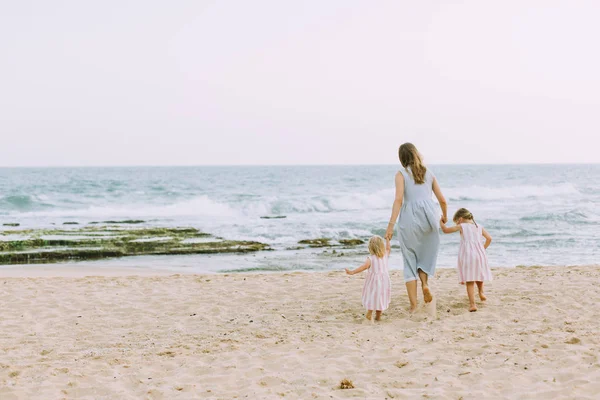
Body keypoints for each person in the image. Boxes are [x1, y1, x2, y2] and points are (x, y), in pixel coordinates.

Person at [385, 143, 447, 313]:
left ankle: (413, 306)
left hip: (409, 220)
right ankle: (425, 284)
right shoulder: (429, 173)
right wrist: (445, 216)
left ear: (401, 158)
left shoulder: (401, 174)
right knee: (425, 257)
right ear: (416, 154)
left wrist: (390, 225)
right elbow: (442, 200)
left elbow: (398, 200)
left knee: (410, 260)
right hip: (430, 218)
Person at [440, 208, 493, 312]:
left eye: (456, 221)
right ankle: (481, 292)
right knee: (479, 274)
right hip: (480, 255)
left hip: (468, 256)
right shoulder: (479, 226)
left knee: (470, 281)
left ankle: (473, 304)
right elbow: (489, 238)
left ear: (460, 219)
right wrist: (482, 248)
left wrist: (441, 222)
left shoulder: (462, 226)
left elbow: (445, 230)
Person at [345, 235, 392, 322]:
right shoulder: (385, 255)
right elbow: (388, 248)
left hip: (374, 282)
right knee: (380, 298)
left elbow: (363, 267)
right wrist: (388, 240)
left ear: (370, 247)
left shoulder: (370, 259)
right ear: (382, 246)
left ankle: (369, 313)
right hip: (384, 282)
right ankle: (378, 317)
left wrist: (352, 272)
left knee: (372, 297)